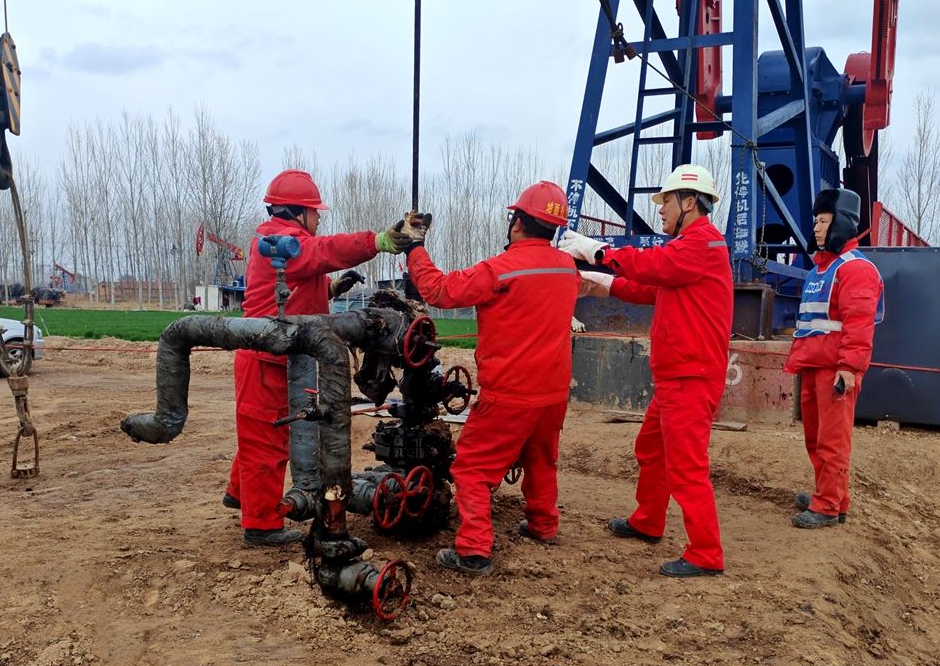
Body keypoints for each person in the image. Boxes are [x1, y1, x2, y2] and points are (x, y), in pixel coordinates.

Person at [560, 164, 732, 578]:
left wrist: (595, 250)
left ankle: (705, 553)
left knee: (686, 466)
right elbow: (648, 287)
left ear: (689, 202)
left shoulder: (703, 243)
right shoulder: (688, 251)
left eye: (665, 201)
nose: (660, 210)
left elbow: (651, 266)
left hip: (690, 376)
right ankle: (648, 520)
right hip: (677, 375)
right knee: (652, 449)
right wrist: (597, 281)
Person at [224, 169, 412, 546]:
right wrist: (377, 241)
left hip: (283, 357)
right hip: (267, 360)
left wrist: (331, 287)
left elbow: (298, 285)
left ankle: (240, 493)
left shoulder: (281, 242)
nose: (319, 218)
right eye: (315, 212)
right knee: (267, 440)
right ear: (298, 212)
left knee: (264, 432)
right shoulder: (283, 242)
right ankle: (261, 525)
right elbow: (324, 252)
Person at [404, 181, 580, 575]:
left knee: (472, 468)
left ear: (517, 223)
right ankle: (543, 525)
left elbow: (438, 291)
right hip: (553, 392)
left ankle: (473, 550)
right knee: (540, 457)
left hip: (510, 393)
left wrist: (415, 248)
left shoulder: (499, 270)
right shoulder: (566, 268)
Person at [784, 187, 884, 528]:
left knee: (833, 440)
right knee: (816, 438)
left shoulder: (856, 269)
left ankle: (827, 506)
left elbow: (859, 324)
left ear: (841, 222)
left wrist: (849, 368)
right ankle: (830, 496)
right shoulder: (820, 269)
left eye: (823, 221)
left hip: (835, 371)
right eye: (815, 221)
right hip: (814, 365)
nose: (816, 228)